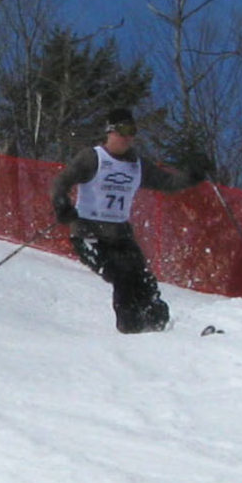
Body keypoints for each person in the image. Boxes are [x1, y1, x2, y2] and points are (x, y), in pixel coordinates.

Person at [49, 107, 193, 334]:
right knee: (122, 274)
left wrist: (194, 174)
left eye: (133, 131)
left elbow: (169, 183)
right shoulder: (93, 158)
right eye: (123, 130)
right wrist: (61, 204)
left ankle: (158, 327)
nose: (128, 137)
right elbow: (61, 182)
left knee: (144, 280)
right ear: (110, 132)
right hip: (89, 234)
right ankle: (130, 330)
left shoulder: (137, 164)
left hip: (121, 235)